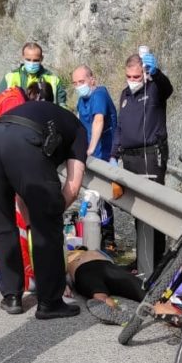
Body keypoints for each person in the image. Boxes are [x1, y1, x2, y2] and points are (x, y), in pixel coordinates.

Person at [0, 99, 88, 319]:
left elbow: (21, 189)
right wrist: (48, 214)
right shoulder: (79, 131)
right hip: (25, 142)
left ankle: (11, 296)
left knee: (1, 222)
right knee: (47, 224)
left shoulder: (41, 112)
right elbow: (73, 188)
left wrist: (30, 221)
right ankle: (50, 303)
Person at [110, 51, 173, 267]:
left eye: (137, 77)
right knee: (137, 208)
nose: (133, 81)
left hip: (151, 155)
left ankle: (157, 260)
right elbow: (120, 127)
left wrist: (156, 74)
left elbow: (167, 88)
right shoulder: (125, 96)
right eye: (129, 76)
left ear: (144, 74)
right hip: (130, 158)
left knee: (154, 207)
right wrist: (113, 154)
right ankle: (143, 258)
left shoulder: (154, 89)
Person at [71, 65, 119, 253]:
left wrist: (90, 148)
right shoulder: (83, 100)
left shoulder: (99, 94)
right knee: (93, 199)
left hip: (103, 155)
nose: (78, 86)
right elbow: (79, 122)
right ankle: (96, 238)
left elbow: (98, 120)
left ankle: (108, 239)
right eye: (75, 83)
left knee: (103, 199)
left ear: (92, 79)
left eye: (81, 82)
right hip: (91, 156)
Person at [67, 247, 145, 325]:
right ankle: (154, 302)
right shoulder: (74, 253)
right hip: (103, 267)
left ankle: (110, 305)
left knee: (99, 293)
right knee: (141, 289)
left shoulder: (70, 255)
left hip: (86, 269)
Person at [0, 41, 67, 107]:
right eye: (28, 60)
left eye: (36, 60)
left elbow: (62, 106)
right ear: (23, 57)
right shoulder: (9, 78)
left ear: (41, 59)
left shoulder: (53, 80)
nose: (32, 63)